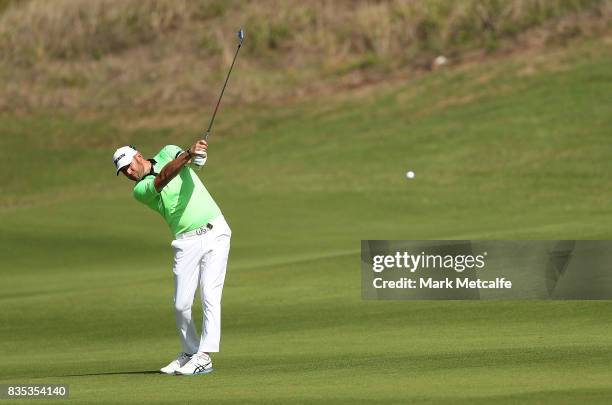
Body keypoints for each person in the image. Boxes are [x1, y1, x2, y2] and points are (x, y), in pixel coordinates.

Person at [112, 141, 231, 376]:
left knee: (209, 294)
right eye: (123, 171)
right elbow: (164, 177)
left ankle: (204, 356)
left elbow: (193, 163)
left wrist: (198, 156)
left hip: (215, 231)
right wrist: (189, 154)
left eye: (128, 166)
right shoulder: (141, 190)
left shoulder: (168, 151)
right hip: (185, 242)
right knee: (181, 304)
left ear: (138, 156)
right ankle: (189, 352)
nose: (128, 173)